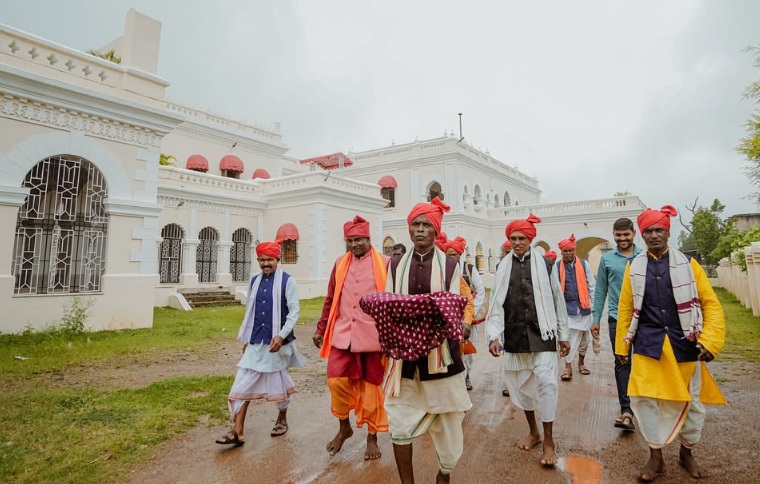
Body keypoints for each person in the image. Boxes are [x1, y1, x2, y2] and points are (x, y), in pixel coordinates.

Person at [366, 197, 472, 484]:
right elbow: (388, 306)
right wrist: (418, 314)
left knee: (450, 431)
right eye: (416, 224)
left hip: (442, 360)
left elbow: (451, 309)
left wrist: (416, 313)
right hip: (403, 363)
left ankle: (444, 474)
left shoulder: (450, 265)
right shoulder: (395, 265)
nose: (421, 229)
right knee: (399, 425)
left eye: (426, 224)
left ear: (436, 230)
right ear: (409, 229)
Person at [615, 205, 725, 482]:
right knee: (645, 401)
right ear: (642, 235)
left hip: (684, 344)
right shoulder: (633, 267)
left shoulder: (688, 264)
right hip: (648, 345)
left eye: (659, 230)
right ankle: (656, 457)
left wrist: (710, 341)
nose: (654, 235)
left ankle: (686, 453)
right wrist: (621, 348)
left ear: (667, 232)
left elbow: (710, 304)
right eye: (648, 231)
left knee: (693, 403)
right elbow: (625, 308)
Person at [486, 214, 570, 467]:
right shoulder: (502, 267)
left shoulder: (546, 264)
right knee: (521, 386)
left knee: (547, 383)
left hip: (543, 333)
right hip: (514, 334)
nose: (517, 242)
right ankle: (534, 432)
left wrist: (563, 334)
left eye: (521, 238)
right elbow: (496, 303)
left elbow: (557, 299)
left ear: (530, 239)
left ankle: (548, 440)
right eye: (513, 238)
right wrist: (494, 336)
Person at [313, 216, 390, 461]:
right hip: (343, 333)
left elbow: (393, 300)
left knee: (372, 388)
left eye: (358, 240)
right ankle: (344, 427)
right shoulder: (340, 263)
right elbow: (330, 298)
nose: (354, 244)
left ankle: (372, 437)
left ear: (368, 239)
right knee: (336, 381)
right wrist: (321, 328)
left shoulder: (385, 263)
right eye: (350, 240)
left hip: (373, 337)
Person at [215, 240, 306, 446]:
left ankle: (281, 419)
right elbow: (251, 310)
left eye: (269, 260)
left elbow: (294, 312)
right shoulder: (254, 281)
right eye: (262, 260)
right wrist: (248, 339)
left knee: (278, 382)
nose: (266, 263)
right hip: (256, 340)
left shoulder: (287, 281)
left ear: (277, 259)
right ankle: (237, 431)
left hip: (277, 343)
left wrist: (281, 335)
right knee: (242, 382)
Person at [590, 217, 642, 431]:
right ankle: (626, 411)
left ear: (633, 234)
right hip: (617, 319)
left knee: (645, 362)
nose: (622, 238)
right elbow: (601, 289)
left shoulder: (644, 257)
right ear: (613, 235)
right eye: (618, 235)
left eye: (626, 234)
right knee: (622, 362)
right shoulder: (607, 259)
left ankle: (646, 407)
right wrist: (595, 319)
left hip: (645, 320)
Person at [444, 236, 485, 391]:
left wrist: (471, 313)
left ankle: (466, 377)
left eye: (453, 254)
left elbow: (480, 291)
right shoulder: (443, 269)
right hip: (449, 318)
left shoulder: (469, 269)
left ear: (460, 255)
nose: (450, 257)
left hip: (467, 319)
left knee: (467, 352)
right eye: (448, 254)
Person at [556, 234, 596, 381]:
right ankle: (568, 367)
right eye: (565, 251)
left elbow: (592, 286)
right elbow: (555, 290)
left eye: (570, 250)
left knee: (584, 340)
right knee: (568, 339)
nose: (568, 253)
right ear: (561, 252)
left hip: (584, 308)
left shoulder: (584, 265)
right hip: (567, 309)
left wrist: (594, 309)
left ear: (574, 250)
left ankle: (581, 363)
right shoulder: (557, 267)